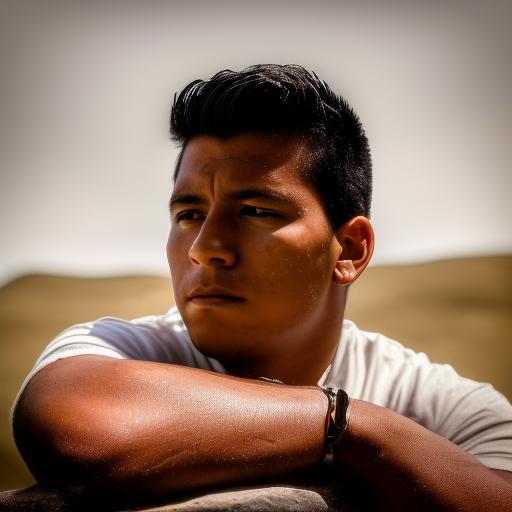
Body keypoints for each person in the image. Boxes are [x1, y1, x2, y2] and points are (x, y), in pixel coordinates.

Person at [12, 64, 512, 511]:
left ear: (350, 249)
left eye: (255, 211)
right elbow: (72, 425)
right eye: (189, 214)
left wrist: (354, 428)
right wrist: (347, 424)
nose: (205, 248)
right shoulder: (121, 349)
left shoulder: (442, 404)